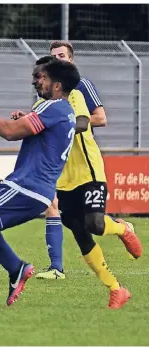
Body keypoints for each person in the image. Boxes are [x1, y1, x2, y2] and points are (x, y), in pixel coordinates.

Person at [0, 58, 80, 310]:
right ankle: (16, 268)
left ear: (56, 85)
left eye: (40, 77)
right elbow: (40, 132)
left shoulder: (53, 107)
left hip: (28, 186)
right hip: (31, 186)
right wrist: (28, 117)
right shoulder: (60, 110)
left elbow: (10, 132)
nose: (35, 81)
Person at [35, 41, 139, 280]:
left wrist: (66, 123)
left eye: (62, 56)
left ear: (71, 59)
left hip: (85, 165)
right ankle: (56, 268)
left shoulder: (81, 86)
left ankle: (121, 227)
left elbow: (100, 119)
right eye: (53, 57)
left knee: (93, 223)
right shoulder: (47, 91)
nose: (58, 60)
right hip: (60, 166)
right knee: (58, 212)